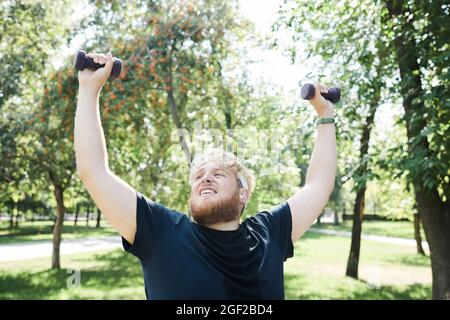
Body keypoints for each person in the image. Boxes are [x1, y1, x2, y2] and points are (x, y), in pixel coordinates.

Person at [75, 52, 337, 300]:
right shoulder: (162, 231)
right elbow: (94, 171)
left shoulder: (269, 233)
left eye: (218, 173)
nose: (204, 178)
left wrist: (325, 115)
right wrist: (89, 89)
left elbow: (319, 185)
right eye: (198, 175)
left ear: (243, 192)